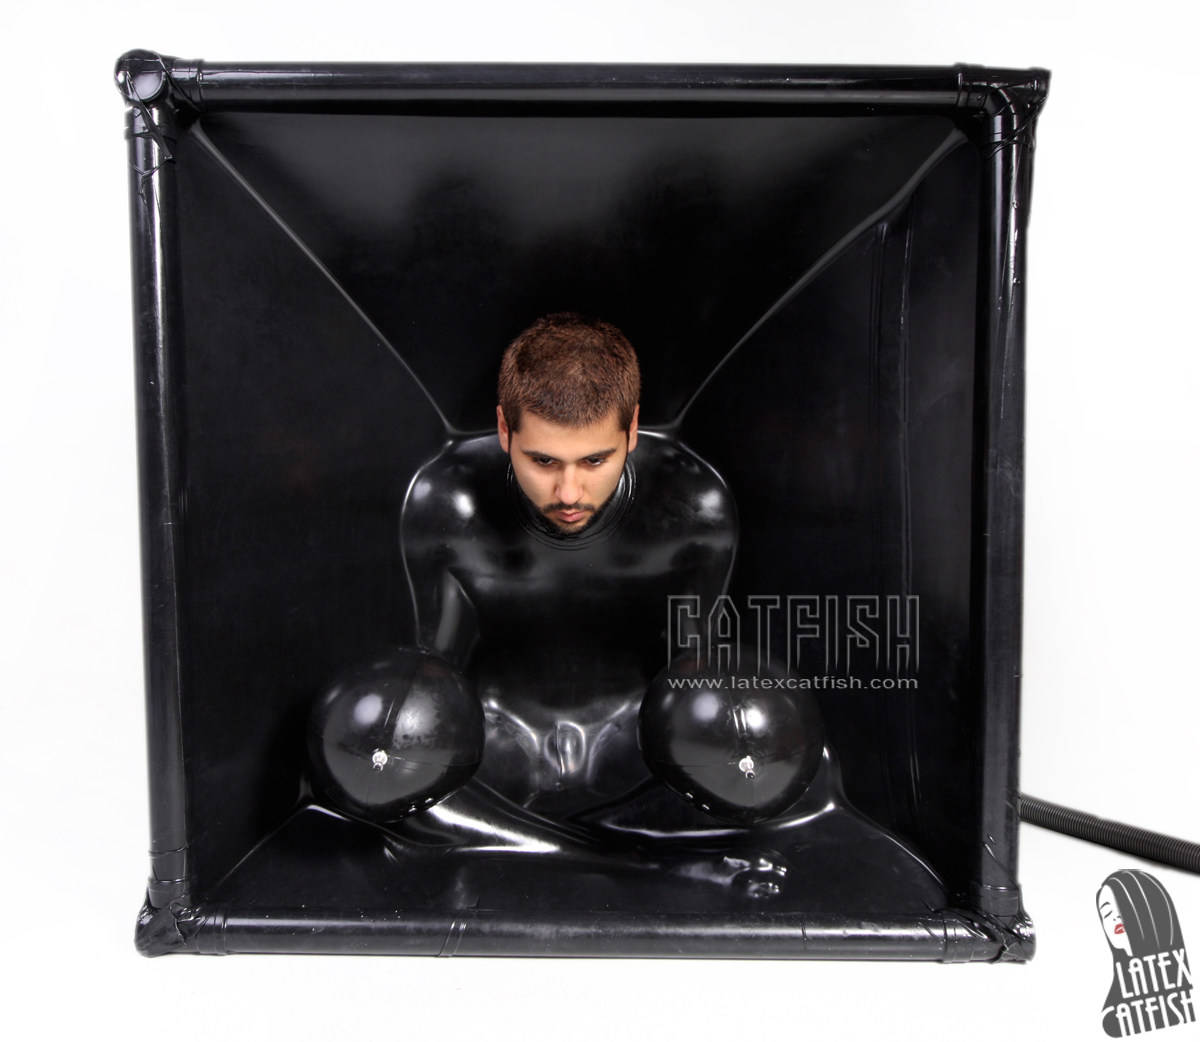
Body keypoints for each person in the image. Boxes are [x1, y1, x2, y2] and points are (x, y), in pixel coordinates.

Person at [401, 312, 737, 817]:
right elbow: (434, 674)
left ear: (632, 430)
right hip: (495, 735)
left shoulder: (694, 509)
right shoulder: (447, 504)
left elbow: (698, 672)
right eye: (544, 461)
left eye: (595, 461)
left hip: (639, 737)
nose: (569, 494)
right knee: (386, 755)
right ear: (504, 429)